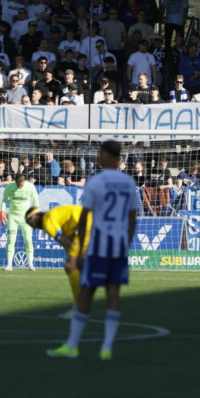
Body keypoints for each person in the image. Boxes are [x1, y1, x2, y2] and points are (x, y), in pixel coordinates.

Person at [46, 140, 140, 360]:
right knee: (113, 294)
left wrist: (79, 252)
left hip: (98, 245)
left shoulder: (95, 181)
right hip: (117, 245)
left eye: (100, 153)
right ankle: (107, 347)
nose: (98, 156)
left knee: (86, 292)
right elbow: (132, 218)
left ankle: (72, 345)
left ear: (106, 156)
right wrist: (126, 243)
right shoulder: (128, 182)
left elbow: (85, 215)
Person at [26, 205, 92, 319]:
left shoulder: (47, 220)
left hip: (87, 225)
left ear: (36, 216)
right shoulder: (55, 216)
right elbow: (71, 239)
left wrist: (72, 260)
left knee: (70, 266)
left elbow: (64, 242)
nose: (32, 227)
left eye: (30, 222)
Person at [0, 173, 39, 272]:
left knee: (28, 240)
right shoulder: (10, 186)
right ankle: (9, 265)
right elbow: (4, 200)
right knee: (11, 240)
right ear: (16, 181)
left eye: (21, 184)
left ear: (24, 181)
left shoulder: (30, 187)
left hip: (26, 218)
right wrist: (2, 211)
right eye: (18, 184)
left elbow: (35, 200)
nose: (19, 186)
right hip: (13, 217)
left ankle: (30, 265)